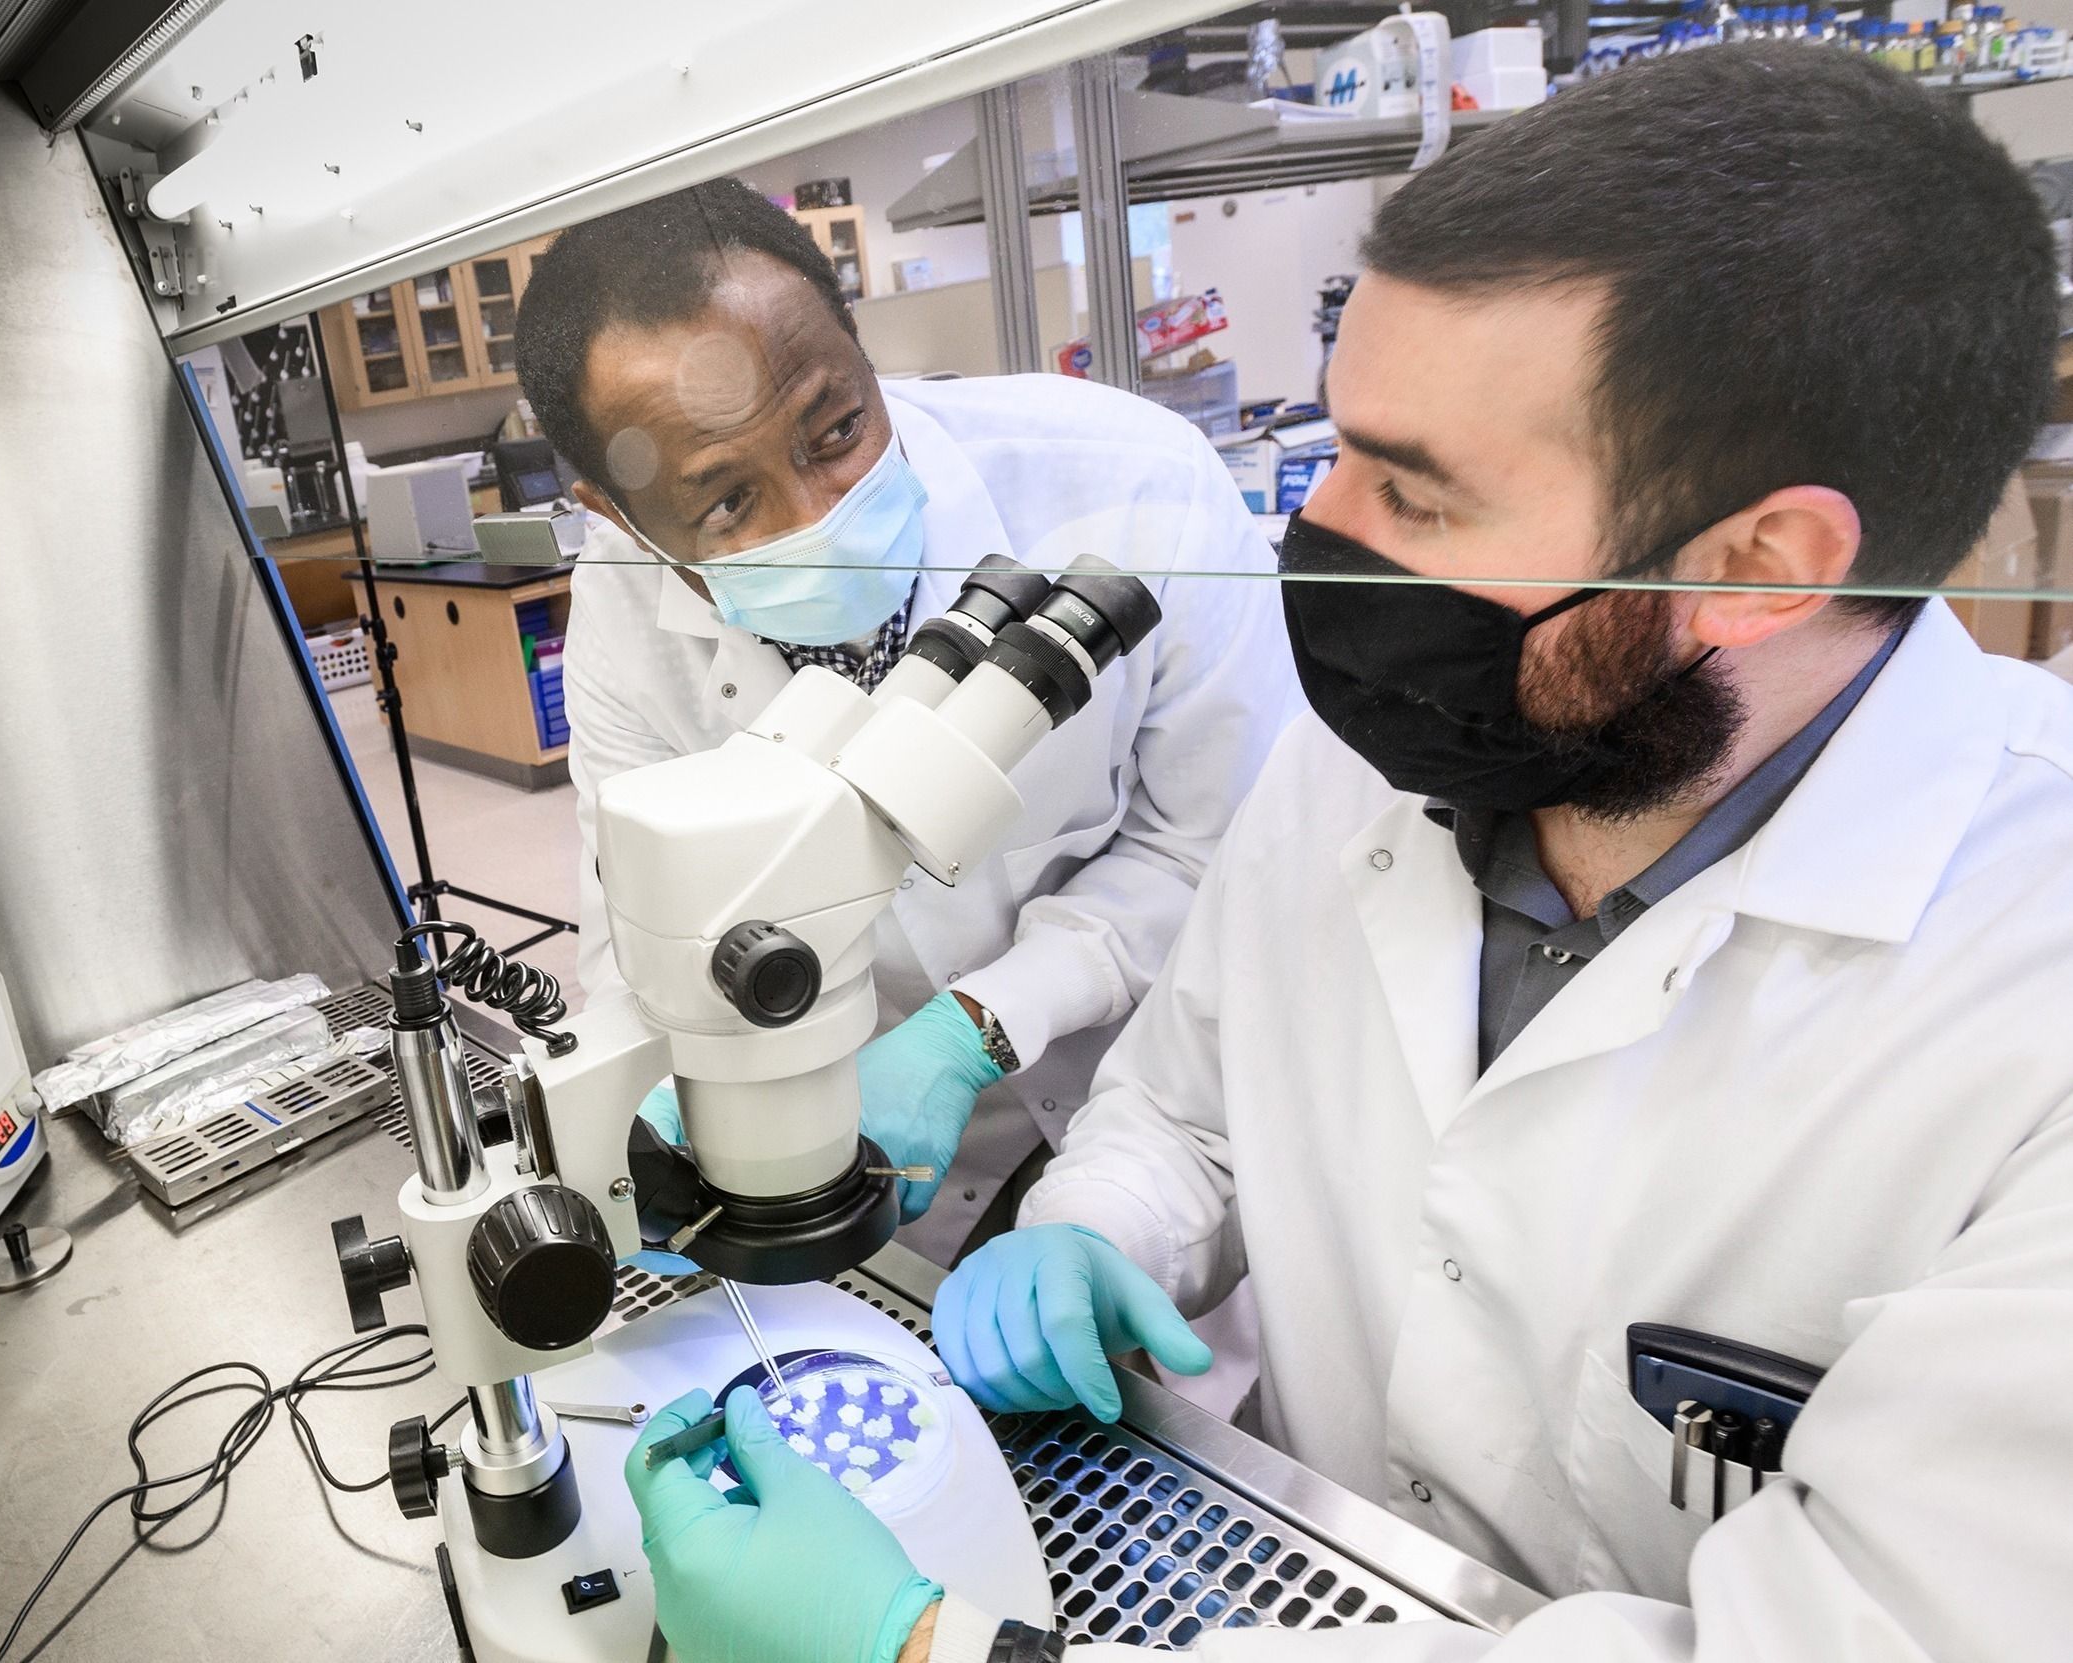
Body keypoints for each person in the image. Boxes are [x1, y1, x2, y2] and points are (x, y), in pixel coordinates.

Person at [622, 44, 2073, 1663]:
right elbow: (1190, 1098)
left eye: (1419, 495)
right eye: (1336, 450)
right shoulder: (1386, 751)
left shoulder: (2031, 1010)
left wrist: (928, 1652)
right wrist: (1101, 1222)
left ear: (1758, 561)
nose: (1323, 544)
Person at [517, 179, 1303, 1267]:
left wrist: (972, 1027)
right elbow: (638, 907)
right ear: (614, 514)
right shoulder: (618, 593)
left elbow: (1226, 847)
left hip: (1155, 1089)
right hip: (860, 1130)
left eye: (836, 428)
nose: (819, 514)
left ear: (858, 347)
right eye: (725, 503)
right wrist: (652, 1104)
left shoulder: (1131, 481)